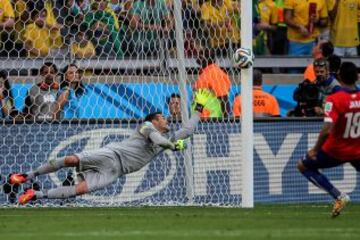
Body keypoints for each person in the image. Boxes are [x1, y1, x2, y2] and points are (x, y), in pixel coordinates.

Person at [9, 90, 210, 204]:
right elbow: (159, 141)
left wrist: (198, 109)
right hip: (110, 155)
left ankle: (35, 195)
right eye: (163, 118)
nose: (167, 120)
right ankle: (27, 176)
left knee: (80, 190)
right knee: (71, 159)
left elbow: (189, 129)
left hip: (117, 171)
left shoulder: (170, 137)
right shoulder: (147, 127)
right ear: (154, 120)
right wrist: (174, 146)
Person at [297, 61, 360, 217]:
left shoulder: (334, 99)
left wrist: (315, 149)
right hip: (357, 150)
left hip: (335, 150)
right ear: (357, 77)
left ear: (338, 76)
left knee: (303, 166)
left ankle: (338, 196)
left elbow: (326, 130)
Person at [193, 47, 231, 118]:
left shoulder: (214, 73)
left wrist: (225, 122)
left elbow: (223, 98)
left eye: (200, 54)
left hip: (212, 120)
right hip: (203, 119)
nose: (197, 57)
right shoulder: (205, 72)